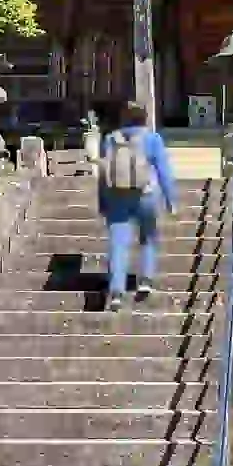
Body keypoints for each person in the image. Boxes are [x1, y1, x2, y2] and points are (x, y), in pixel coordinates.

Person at [97, 102, 177, 312]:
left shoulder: (109, 139)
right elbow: (163, 171)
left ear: (124, 118)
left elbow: (103, 174)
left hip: (117, 196)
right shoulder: (152, 139)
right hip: (146, 196)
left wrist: (102, 201)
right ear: (144, 118)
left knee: (118, 243)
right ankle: (146, 280)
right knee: (148, 237)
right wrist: (171, 199)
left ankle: (116, 291)